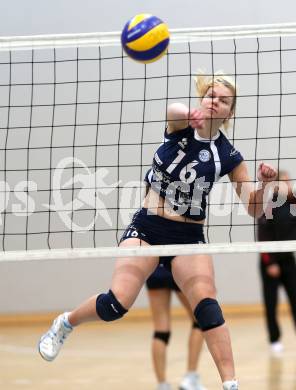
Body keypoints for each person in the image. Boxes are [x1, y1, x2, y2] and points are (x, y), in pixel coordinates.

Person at [38, 71, 277, 390]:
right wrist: (187, 113)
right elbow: (172, 110)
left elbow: (253, 208)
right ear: (201, 99)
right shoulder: (182, 125)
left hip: (188, 238)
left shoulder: (229, 156)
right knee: (115, 305)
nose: (214, 102)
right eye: (210, 95)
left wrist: (265, 184)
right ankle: (65, 322)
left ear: (229, 113)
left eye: (223, 101)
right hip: (148, 228)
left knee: (207, 307)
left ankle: (230, 384)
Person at [146, 263, 206, 390]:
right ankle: (190, 377)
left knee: (161, 330)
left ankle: (162, 385)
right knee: (200, 320)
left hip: (154, 269)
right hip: (177, 265)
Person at [257, 170, 296, 355]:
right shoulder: (268, 204)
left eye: (289, 181)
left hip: (288, 259)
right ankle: (274, 340)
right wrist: (270, 262)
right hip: (270, 262)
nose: (288, 185)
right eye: (284, 181)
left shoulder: (293, 203)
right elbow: (263, 236)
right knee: (271, 303)